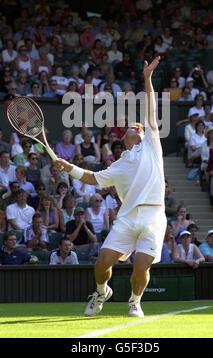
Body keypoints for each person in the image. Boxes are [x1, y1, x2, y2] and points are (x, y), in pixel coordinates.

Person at [54, 55, 167, 318]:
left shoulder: (152, 144)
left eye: (138, 127)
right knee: (102, 262)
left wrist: (147, 79)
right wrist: (67, 166)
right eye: (132, 127)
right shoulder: (117, 166)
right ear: (125, 136)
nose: (136, 127)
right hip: (127, 216)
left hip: (153, 215)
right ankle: (102, 291)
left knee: (141, 265)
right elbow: (92, 178)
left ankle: (135, 301)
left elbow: (150, 108)